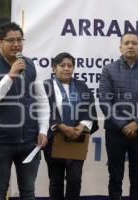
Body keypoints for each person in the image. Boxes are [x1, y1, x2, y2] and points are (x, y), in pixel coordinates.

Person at [0, 22, 49, 199]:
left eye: (20, 40)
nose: (17, 44)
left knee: (28, 191)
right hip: (1, 141)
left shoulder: (30, 65)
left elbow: (41, 99)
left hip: (29, 141)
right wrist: (10, 76)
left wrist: (43, 130)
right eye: (11, 40)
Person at [98, 31, 138, 200]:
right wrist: (122, 124)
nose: (130, 46)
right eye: (126, 43)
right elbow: (104, 100)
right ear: (120, 47)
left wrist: (137, 123)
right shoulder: (109, 70)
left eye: (134, 43)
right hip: (115, 132)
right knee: (115, 177)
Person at [42, 52, 99, 200]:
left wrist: (81, 127)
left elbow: (90, 108)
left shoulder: (81, 86)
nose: (66, 68)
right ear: (54, 68)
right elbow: (42, 109)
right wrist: (61, 126)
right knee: (56, 181)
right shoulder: (45, 86)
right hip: (54, 139)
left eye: (70, 65)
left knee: (75, 180)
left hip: (77, 139)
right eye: (62, 65)